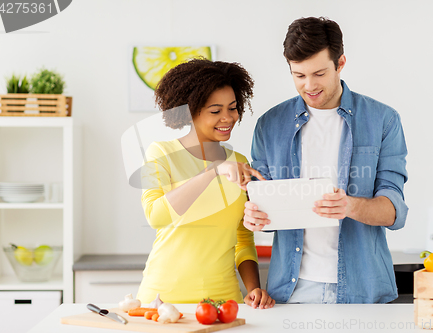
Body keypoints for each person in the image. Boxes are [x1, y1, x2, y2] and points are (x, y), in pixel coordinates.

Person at [243, 17, 408, 304]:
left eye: (319, 73)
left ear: (340, 63)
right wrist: (255, 217)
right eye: (299, 75)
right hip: (292, 289)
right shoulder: (269, 125)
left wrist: (350, 206)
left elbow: (394, 213)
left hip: (364, 287)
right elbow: (265, 207)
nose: (309, 86)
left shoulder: (383, 119)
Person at [136, 58, 275, 309]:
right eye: (215, 110)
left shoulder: (239, 162)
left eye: (232, 108)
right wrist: (213, 170)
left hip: (223, 301)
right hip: (162, 300)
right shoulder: (160, 153)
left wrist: (254, 288)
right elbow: (156, 216)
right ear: (190, 111)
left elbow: (243, 239)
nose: (228, 118)